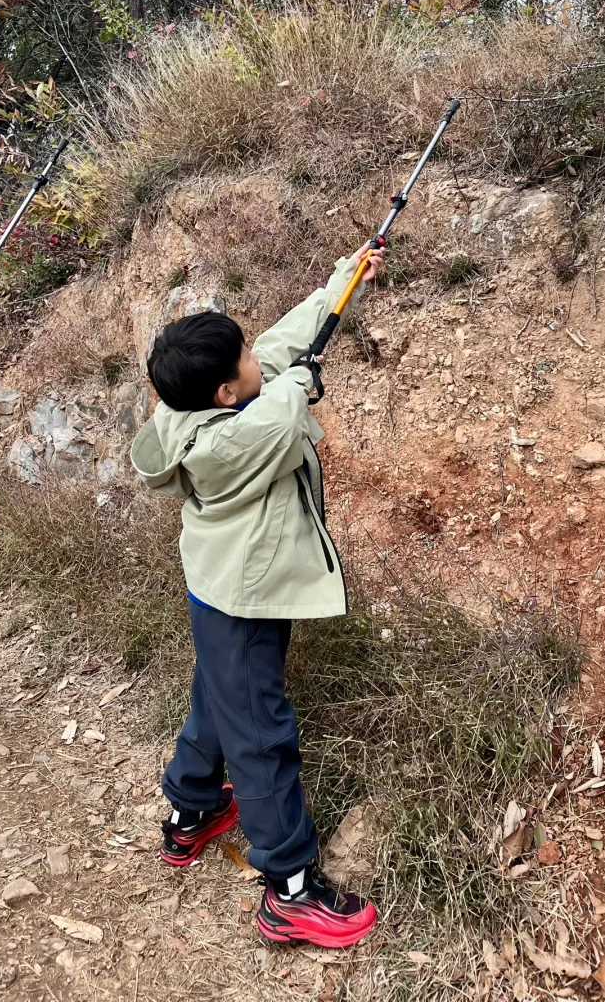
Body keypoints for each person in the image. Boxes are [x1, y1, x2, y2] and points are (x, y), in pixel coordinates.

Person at [130, 245, 383, 949]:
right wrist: (298, 381)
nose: (253, 353)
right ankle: (291, 889)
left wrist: (343, 281)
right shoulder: (240, 434)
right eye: (239, 356)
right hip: (243, 595)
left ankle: (191, 812)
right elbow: (282, 397)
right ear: (223, 394)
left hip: (225, 586)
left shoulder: (186, 407)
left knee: (222, 697)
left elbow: (277, 349)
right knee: (260, 736)